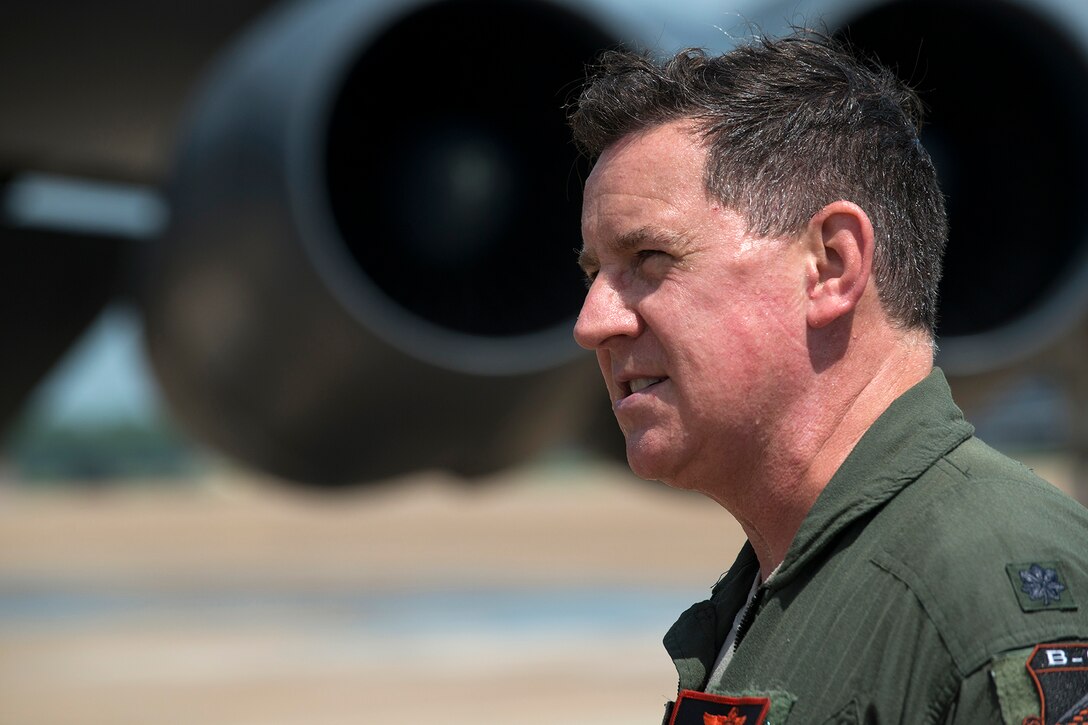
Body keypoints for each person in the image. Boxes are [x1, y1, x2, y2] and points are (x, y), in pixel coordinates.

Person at [568, 31, 1088, 724]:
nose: (593, 320)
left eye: (651, 257)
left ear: (832, 266)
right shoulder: (790, 582)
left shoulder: (988, 590)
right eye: (594, 273)